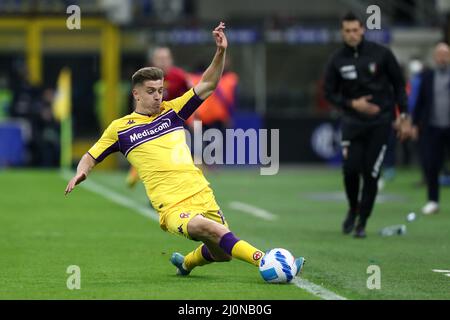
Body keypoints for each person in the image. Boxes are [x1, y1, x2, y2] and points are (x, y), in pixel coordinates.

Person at [65, 23, 305, 277]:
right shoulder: (120, 129)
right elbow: (90, 156)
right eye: (151, 92)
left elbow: (208, 85)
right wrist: (82, 172)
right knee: (216, 232)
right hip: (173, 208)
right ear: (136, 94)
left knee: (221, 252)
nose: (158, 96)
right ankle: (268, 262)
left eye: (160, 90)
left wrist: (220, 52)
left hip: (201, 193)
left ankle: (186, 263)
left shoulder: (173, 111)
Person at [324, 12, 410, 238]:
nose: (351, 35)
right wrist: (353, 103)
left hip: (380, 123)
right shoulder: (337, 59)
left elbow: (399, 85)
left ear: (362, 29)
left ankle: (362, 222)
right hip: (352, 123)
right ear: (342, 32)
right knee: (350, 170)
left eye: (355, 30)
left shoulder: (381, 54)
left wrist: (404, 115)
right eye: (347, 31)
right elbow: (329, 93)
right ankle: (353, 208)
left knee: (371, 173)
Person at [126, 46, 191, 187]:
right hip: (152, 123)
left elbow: (191, 96)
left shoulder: (179, 76)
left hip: (173, 125)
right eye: (159, 59)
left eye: (166, 58)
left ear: (171, 60)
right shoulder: (144, 78)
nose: (163, 62)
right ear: (153, 61)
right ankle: (143, 175)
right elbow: (136, 99)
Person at [411, 42, 450, 215]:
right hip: (432, 128)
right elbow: (419, 103)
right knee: (432, 165)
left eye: (445, 54)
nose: (442, 57)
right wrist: (414, 124)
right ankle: (433, 201)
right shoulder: (427, 76)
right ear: (435, 57)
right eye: (439, 54)